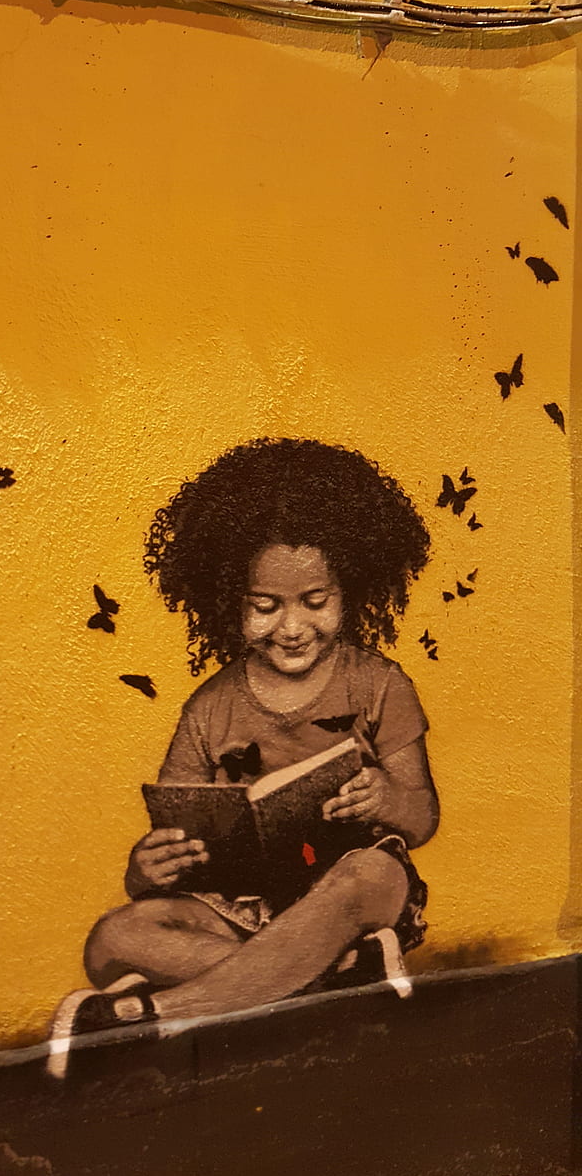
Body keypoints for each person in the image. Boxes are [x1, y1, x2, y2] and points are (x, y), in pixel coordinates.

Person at [48, 437, 439, 1079]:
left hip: (352, 891)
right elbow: (176, 833)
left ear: (351, 590)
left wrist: (386, 798)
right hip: (244, 910)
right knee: (111, 940)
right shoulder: (209, 708)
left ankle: (158, 1015)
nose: (292, 626)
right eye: (265, 606)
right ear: (230, 601)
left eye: (316, 601)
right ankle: (335, 975)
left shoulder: (379, 685)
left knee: (368, 875)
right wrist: (147, 868)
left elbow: (420, 817)